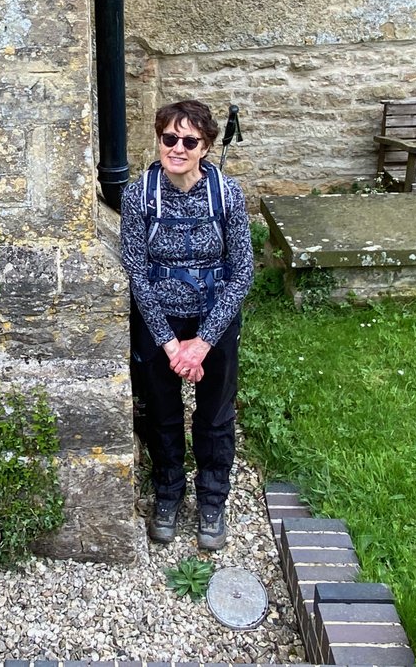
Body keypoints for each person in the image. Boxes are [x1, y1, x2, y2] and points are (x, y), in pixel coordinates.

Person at [120, 100, 255, 550]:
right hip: (160, 319)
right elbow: (136, 271)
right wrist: (170, 343)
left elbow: (242, 272)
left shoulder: (227, 194)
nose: (177, 147)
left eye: (189, 141)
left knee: (215, 414)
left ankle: (212, 499)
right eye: (169, 138)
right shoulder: (139, 194)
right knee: (162, 412)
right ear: (159, 139)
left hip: (213, 319)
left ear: (206, 146)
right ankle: (169, 492)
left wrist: (201, 343)